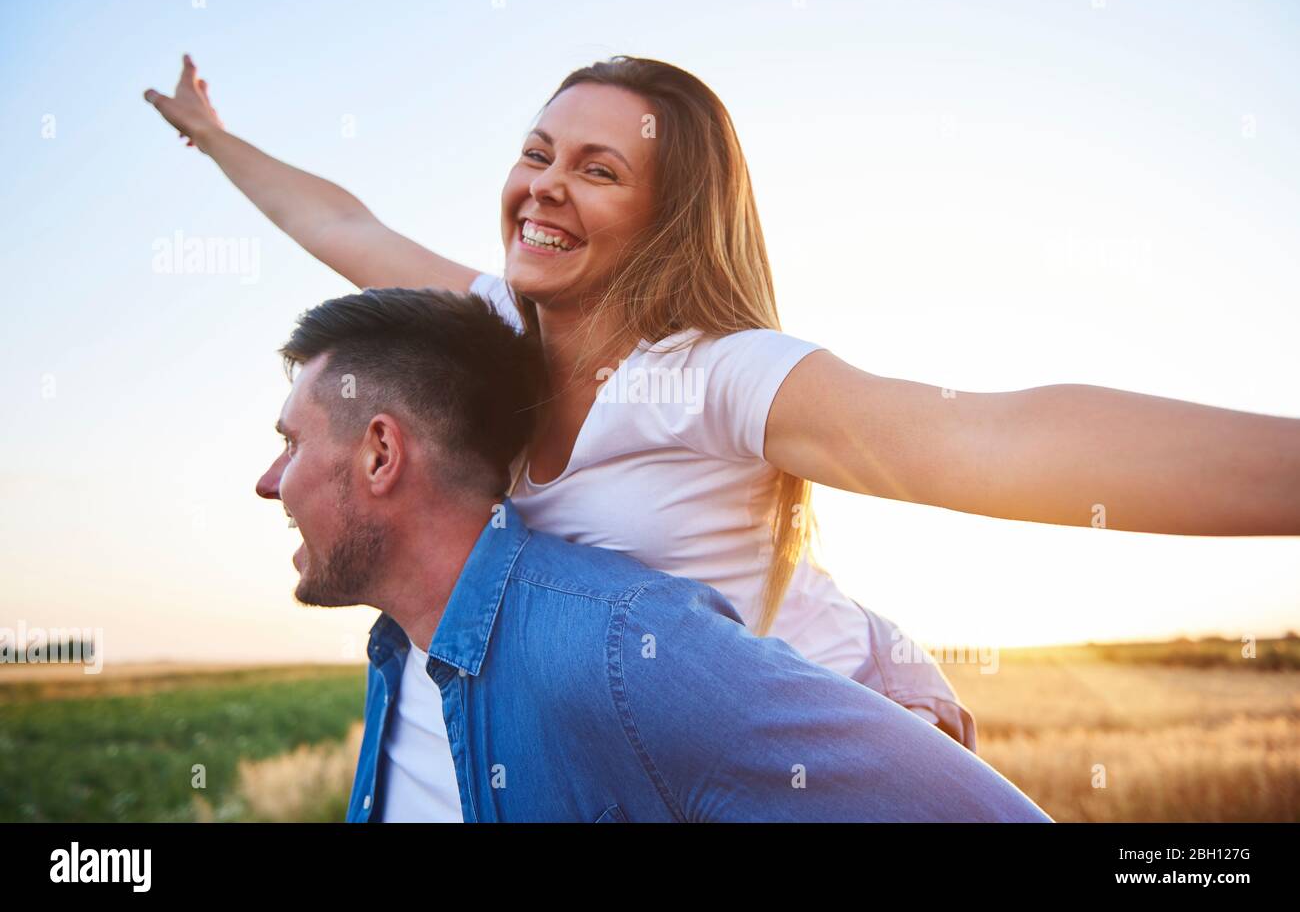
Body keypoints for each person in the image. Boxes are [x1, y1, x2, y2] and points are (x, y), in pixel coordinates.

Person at [149, 53, 1300, 814]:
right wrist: (212, 138)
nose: (544, 187)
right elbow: (344, 224)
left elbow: (986, 440)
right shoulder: (494, 329)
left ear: (667, 214)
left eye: (598, 170)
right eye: (537, 151)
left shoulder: (713, 377)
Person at [255, 286, 1052, 822]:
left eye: (290, 444)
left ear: (381, 453)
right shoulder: (399, 650)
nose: (269, 482)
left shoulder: (623, 648)